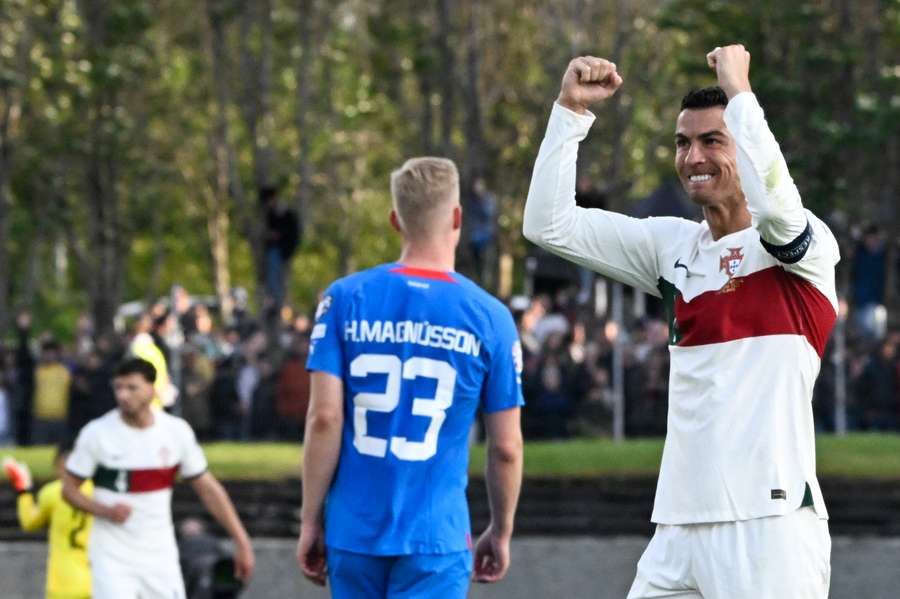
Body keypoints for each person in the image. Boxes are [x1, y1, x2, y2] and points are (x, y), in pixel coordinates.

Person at [523, 46, 838, 598]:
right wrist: (570, 112)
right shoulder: (671, 247)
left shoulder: (802, 245)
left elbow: (779, 210)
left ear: (744, 140)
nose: (693, 157)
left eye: (712, 141)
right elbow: (549, 226)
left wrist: (740, 92)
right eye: (683, 142)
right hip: (676, 528)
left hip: (768, 525)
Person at [296, 157, 524, 598]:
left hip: (353, 532)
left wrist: (309, 520)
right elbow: (507, 447)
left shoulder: (343, 299)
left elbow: (324, 419)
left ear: (395, 220)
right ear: (457, 217)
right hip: (436, 536)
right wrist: (501, 529)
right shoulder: (490, 318)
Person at [61, 358, 255, 599]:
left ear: (152, 389)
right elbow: (68, 490)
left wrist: (241, 540)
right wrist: (105, 511)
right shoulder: (97, 434)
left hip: (159, 555)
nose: (123, 395)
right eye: (118, 388)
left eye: (132, 387)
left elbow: (208, 489)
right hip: (111, 556)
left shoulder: (175, 432)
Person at [4, 443, 93, 599]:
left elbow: (29, 523)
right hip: (96, 583)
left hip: (62, 586)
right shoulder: (100, 493)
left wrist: (23, 490)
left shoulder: (53, 492)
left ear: (59, 465)